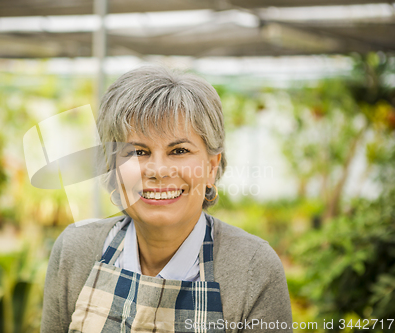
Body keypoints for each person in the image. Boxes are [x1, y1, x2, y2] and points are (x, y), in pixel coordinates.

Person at [41, 66, 293, 332]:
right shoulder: (75, 251)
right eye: (138, 151)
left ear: (211, 167)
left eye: (179, 150)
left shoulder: (253, 269)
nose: (158, 171)